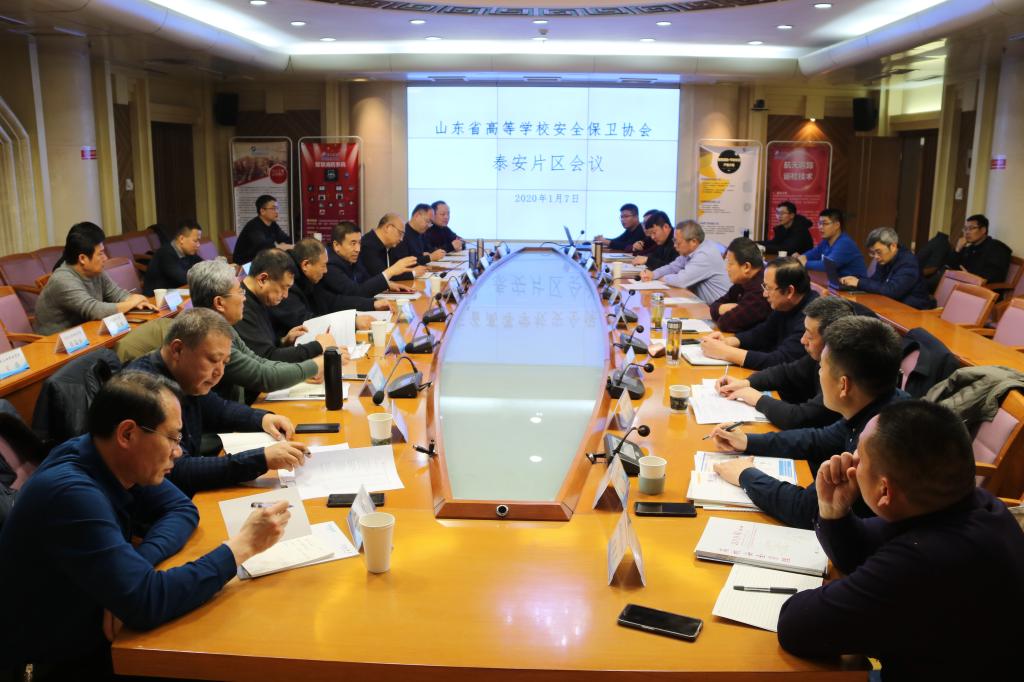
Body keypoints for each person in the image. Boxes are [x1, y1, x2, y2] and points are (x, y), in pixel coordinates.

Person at [0, 371, 290, 680]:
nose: (178, 452)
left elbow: (181, 509)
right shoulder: (71, 493)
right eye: (172, 438)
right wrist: (242, 547)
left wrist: (137, 565)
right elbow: (147, 602)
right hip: (52, 663)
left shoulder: (113, 456)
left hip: (96, 626)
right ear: (127, 434)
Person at [777, 400, 1024, 677]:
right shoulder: (973, 505)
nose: (850, 461)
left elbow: (796, 626)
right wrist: (834, 511)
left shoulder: (925, 562)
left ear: (884, 491)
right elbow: (859, 549)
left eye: (859, 456)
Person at [709, 316, 906, 529]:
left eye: (821, 367)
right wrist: (747, 441)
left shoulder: (879, 439)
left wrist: (745, 475)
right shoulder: (879, 404)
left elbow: (807, 510)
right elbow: (817, 439)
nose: (819, 373)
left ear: (843, 385)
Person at [126, 308, 309, 496]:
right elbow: (177, 470)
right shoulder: (143, 392)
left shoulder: (186, 378)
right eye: (213, 360)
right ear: (178, 349)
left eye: (225, 362)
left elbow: (219, 409)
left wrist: (262, 419)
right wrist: (261, 460)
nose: (220, 372)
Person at [187, 260, 324, 405]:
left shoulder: (223, 326)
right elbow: (263, 377)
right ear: (219, 303)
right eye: (240, 291)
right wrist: (316, 364)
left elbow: (260, 361)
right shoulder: (211, 339)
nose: (244, 298)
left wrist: (299, 371)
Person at [717, 296, 854, 429]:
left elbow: (801, 418)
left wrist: (757, 399)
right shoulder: (818, 358)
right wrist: (746, 383)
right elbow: (786, 372)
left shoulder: (843, 375)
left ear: (831, 340)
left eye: (810, 336)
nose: (803, 340)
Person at [35, 222, 155, 335]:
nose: (105, 258)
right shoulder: (62, 280)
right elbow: (95, 310)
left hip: (90, 333)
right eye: (100, 253)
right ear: (82, 258)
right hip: (59, 344)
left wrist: (136, 301)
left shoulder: (95, 271)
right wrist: (132, 303)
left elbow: (117, 294)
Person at [700, 257, 818, 370]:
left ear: (789, 291)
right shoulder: (785, 304)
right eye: (764, 286)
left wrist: (726, 352)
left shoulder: (812, 317)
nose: (764, 294)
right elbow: (763, 333)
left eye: (768, 288)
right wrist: (729, 341)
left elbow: (782, 360)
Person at [234, 248, 336, 364]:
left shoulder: (259, 297)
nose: (286, 295)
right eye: (284, 287)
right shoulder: (240, 308)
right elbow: (267, 359)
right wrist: (318, 346)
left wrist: (283, 341)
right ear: (262, 279)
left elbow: (265, 347)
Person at [323, 221, 417, 310]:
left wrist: (387, 285)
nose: (358, 249)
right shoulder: (330, 265)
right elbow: (357, 293)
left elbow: (366, 279)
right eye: (353, 243)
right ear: (336, 245)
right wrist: (390, 271)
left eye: (359, 243)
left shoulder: (350, 257)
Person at [839, 227, 934, 309]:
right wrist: (854, 281)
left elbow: (892, 291)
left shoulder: (908, 262)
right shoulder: (884, 259)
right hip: (892, 305)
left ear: (893, 246)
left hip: (914, 310)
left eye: (878, 252)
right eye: (873, 253)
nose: (876, 257)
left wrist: (859, 282)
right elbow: (875, 282)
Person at [638, 220, 730, 304]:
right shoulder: (691, 250)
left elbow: (681, 280)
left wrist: (661, 278)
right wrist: (653, 274)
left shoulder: (705, 254)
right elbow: (672, 267)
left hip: (720, 309)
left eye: (678, 242)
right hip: (705, 304)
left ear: (693, 242)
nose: (674, 245)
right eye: (674, 241)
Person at [709, 237, 772, 333]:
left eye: (730, 264)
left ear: (746, 267)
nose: (727, 268)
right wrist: (723, 308)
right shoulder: (744, 280)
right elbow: (714, 306)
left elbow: (726, 323)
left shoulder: (760, 290)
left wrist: (722, 310)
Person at [797, 208, 867, 279]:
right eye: (820, 223)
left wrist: (805, 263)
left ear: (837, 225)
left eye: (825, 224)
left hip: (855, 284)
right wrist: (800, 258)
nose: (821, 227)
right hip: (837, 282)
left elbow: (828, 266)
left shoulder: (845, 243)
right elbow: (811, 254)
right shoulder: (825, 242)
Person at [944, 214, 1012, 284]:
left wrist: (970, 277)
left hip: (984, 288)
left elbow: (993, 276)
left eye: (971, 228)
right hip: (964, 283)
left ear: (983, 230)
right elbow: (950, 266)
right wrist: (957, 249)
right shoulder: (970, 248)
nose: (967, 232)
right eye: (965, 229)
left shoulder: (997, 248)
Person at [141, 218, 204, 295]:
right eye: (195, 241)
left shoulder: (189, 252)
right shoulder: (165, 254)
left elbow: (204, 267)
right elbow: (184, 278)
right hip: (156, 299)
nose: (198, 245)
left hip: (176, 293)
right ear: (181, 239)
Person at [359, 212, 425, 281]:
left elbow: (394, 269)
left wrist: (410, 270)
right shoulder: (368, 245)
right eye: (400, 233)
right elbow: (383, 276)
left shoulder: (389, 245)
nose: (401, 239)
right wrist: (413, 273)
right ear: (388, 228)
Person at [233, 194, 292, 265]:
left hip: (262, 261)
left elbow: (286, 239)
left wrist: (285, 245)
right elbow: (262, 246)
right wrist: (279, 247)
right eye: (273, 208)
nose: (277, 211)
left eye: (277, 208)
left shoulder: (273, 224)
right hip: (246, 264)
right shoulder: (253, 226)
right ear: (262, 211)